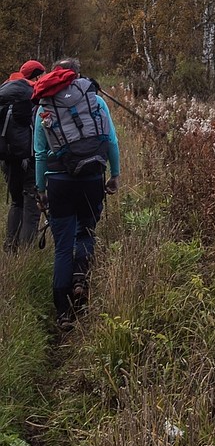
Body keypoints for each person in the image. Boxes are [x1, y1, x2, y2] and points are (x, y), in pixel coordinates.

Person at [32, 58, 120, 328]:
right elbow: (110, 141)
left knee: (62, 247)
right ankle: (80, 280)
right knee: (86, 232)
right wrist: (114, 175)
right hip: (92, 176)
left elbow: (39, 155)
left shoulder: (44, 108)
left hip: (59, 181)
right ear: (77, 76)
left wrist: (41, 189)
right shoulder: (94, 100)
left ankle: (63, 313)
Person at [1, 59, 46, 250]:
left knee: (16, 202)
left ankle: (10, 246)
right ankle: (26, 253)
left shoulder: (4, 92)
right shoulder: (34, 94)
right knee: (32, 204)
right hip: (31, 158)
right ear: (36, 75)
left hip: (8, 158)